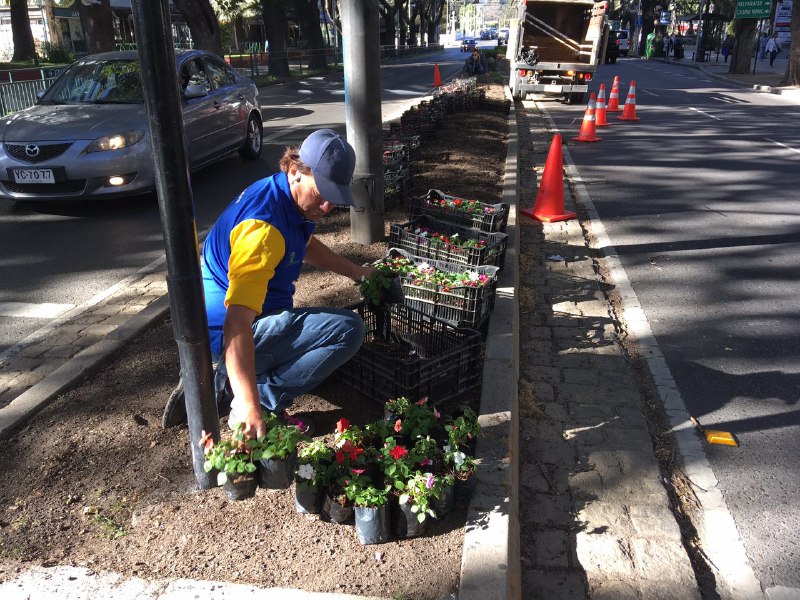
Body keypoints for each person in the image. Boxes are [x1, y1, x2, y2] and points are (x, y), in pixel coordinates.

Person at [164, 129, 374, 438]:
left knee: (319, 349)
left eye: (335, 196)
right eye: (322, 192)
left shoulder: (287, 199)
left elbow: (303, 242)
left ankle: (227, 378)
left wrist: (356, 272)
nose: (327, 207)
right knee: (348, 331)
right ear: (294, 171)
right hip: (226, 336)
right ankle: (248, 395)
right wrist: (249, 406)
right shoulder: (262, 233)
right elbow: (236, 324)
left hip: (246, 320)